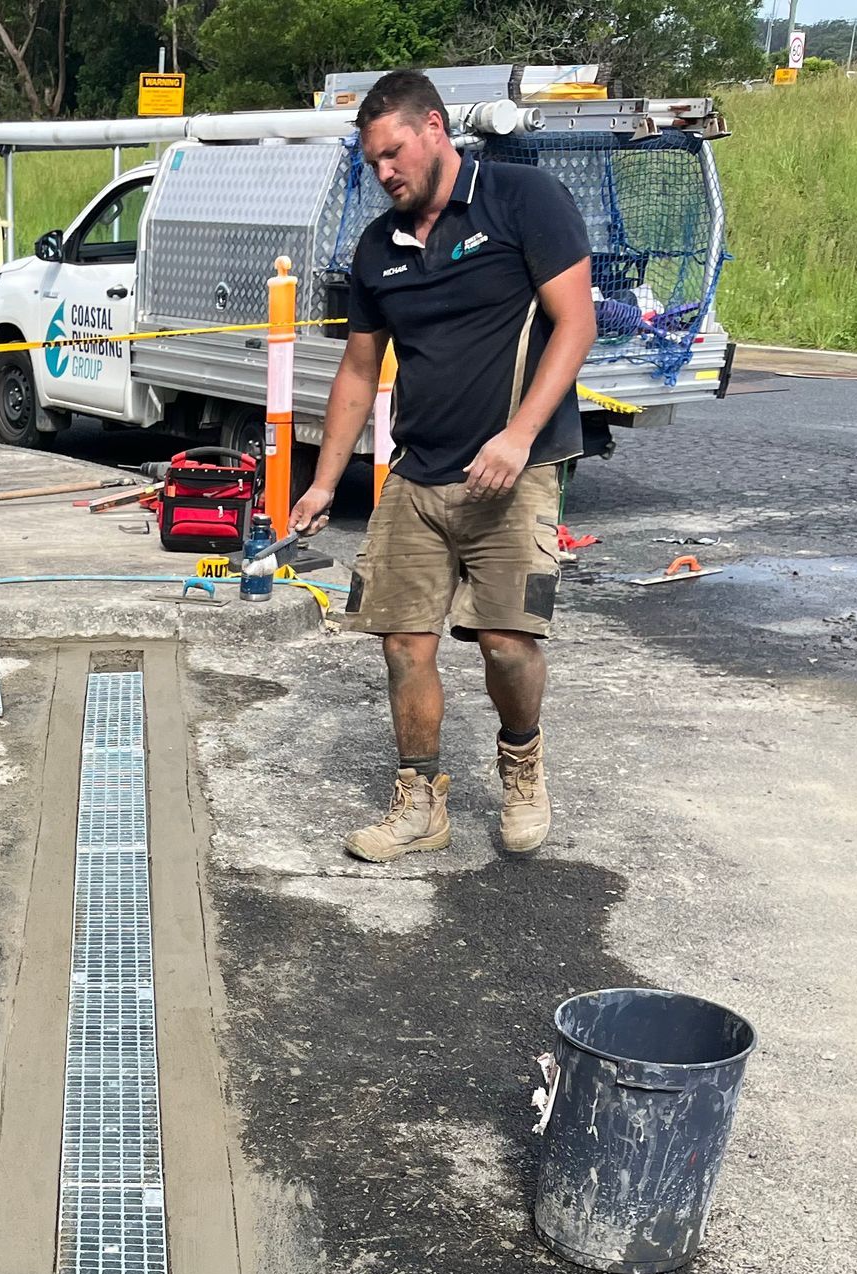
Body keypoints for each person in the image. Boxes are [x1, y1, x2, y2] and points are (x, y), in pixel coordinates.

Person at [294, 69, 596, 862]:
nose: (384, 172)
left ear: (434, 129)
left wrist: (520, 435)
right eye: (372, 163)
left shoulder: (522, 200)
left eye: (393, 153)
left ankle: (522, 764)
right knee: (402, 644)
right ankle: (421, 800)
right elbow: (359, 372)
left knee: (505, 641)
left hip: (513, 469)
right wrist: (323, 482)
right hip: (416, 476)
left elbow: (576, 324)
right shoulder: (376, 247)